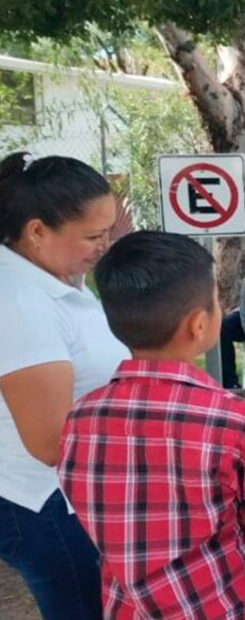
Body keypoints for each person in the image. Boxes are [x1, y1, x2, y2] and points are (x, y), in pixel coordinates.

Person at [59, 231, 245, 620]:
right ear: (199, 325)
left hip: (126, 609)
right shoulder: (235, 420)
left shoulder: (79, 418)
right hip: (221, 605)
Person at [0, 152, 128, 620]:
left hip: (78, 494)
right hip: (47, 504)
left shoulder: (57, 275)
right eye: (94, 236)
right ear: (36, 231)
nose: (104, 246)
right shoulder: (17, 302)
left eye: (109, 231)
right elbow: (52, 442)